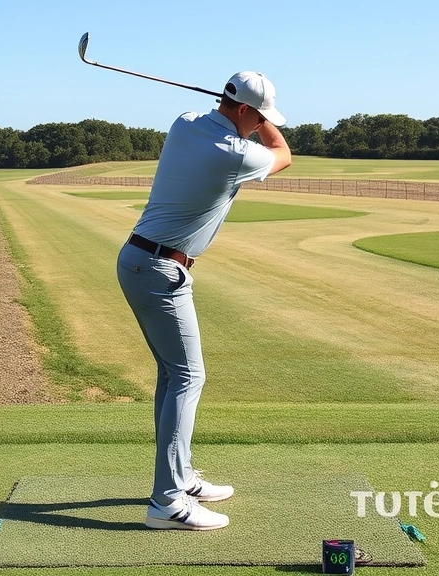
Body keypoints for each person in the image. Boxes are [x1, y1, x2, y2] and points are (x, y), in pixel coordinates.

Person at [116, 71, 292, 531]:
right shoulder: (235, 154)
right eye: (259, 117)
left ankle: (181, 477)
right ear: (242, 112)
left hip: (141, 260)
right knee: (188, 376)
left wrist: (241, 109)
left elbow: (230, 121)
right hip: (159, 269)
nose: (262, 125)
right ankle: (168, 502)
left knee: (173, 375)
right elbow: (284, 155)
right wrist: (258, 121)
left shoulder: (185, 121)